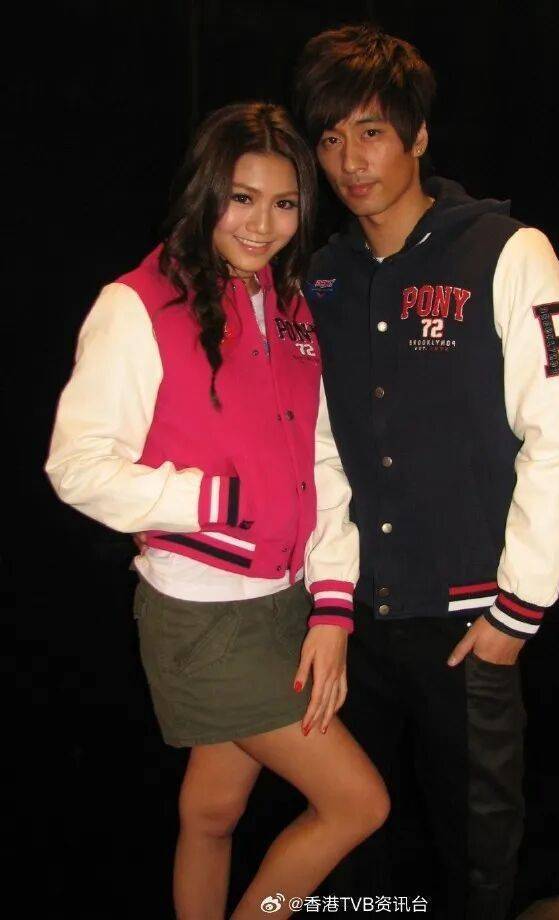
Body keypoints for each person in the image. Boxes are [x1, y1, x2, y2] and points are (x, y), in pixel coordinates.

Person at [45, 101, 390, 920]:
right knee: (358, 805)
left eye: (284, 203)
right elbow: (76, 466)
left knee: (212, 812)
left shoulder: (292, 306)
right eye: (242, 198)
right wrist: (214, 498)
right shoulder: (137, 304)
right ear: (206, 191)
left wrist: (331, 607)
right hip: (200, 619)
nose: (262, 224)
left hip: (282, 604)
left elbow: (322, 460)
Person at [293, 25, 559, 920]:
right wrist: (331, 601)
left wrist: (515, 613)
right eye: (331, 138)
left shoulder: (507, 251)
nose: (351, 160)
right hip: (358, 624)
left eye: (372, 132)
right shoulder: (323, 278)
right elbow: (321, 451)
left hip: (471, 623)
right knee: (360, 846)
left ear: (419, 135)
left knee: (478, 849)